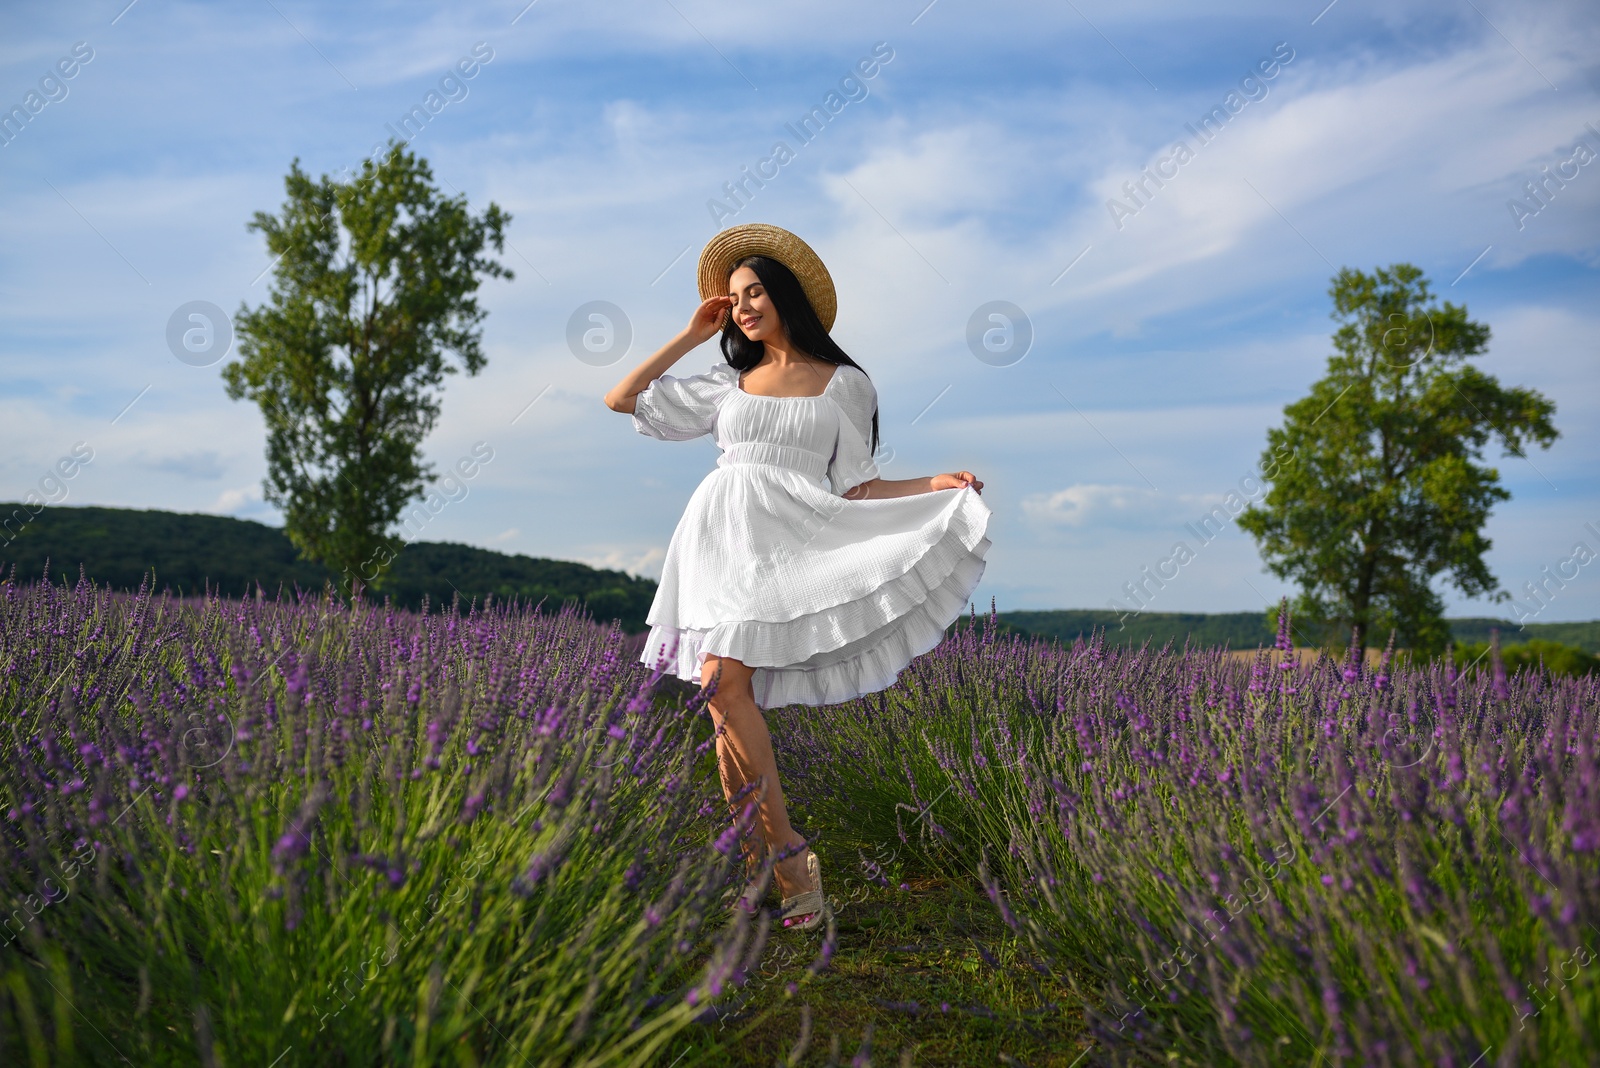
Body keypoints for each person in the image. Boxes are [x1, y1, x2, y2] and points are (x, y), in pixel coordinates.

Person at [603, 223, 992, 930]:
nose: (743, 306)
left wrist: (935, 482)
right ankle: (765, 863)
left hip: (792, 538)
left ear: (786, 296)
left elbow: (857, 488)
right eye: (735, 297)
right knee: (723, 698)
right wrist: (693, 335)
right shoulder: (728, 380)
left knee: (725, 687)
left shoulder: (845, 384)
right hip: (719, 538)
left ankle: (786, 855)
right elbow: (622, 398)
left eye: (755, 294)